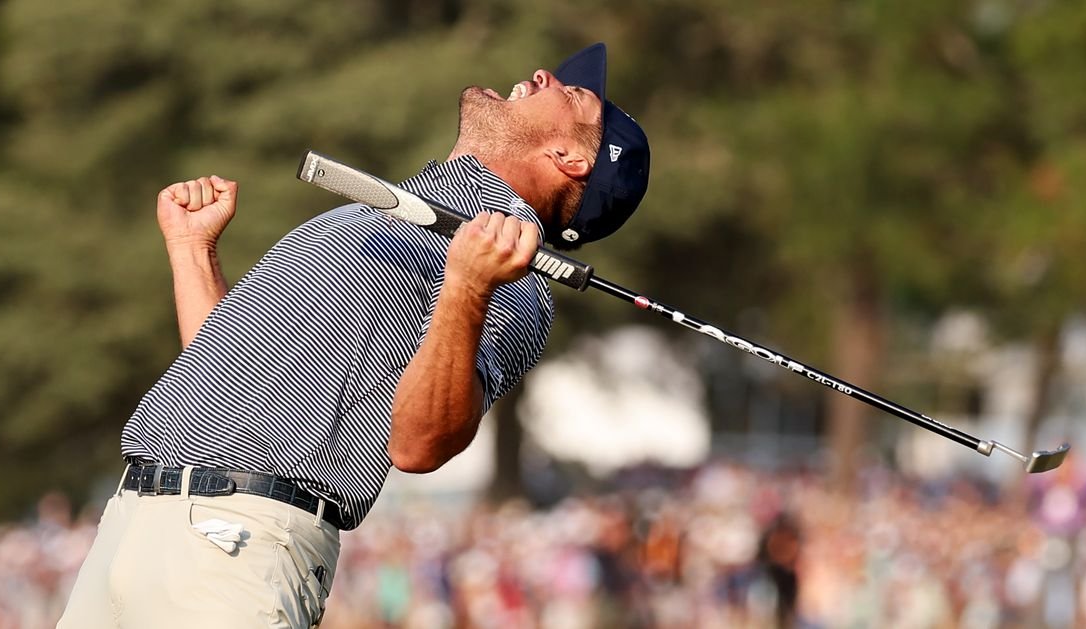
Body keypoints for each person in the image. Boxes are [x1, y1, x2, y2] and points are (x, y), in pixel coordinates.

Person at [58, 42, 649, 628]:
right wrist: (193, 253)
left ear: (569, 156)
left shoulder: (515, 274)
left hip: (237, 540)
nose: (542, 74)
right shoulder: (394, 211)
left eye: (571, 97)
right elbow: (222, 376)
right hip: (134, 522)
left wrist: (468, 286)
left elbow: (420, 447)